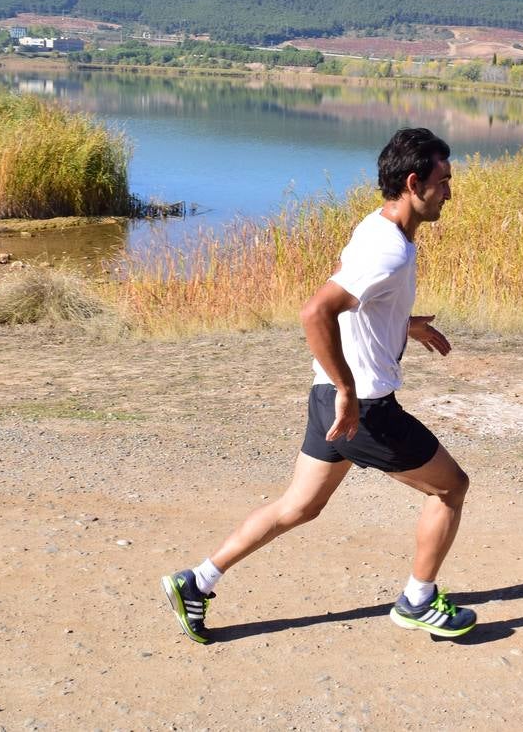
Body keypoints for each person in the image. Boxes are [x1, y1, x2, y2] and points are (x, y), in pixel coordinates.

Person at [160, 128, 476, 644]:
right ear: (415, 182)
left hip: (328, 399)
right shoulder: (389, 250)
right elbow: (316, 312)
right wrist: (349, 391)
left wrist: (403, 324)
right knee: (450, 487)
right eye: (443, 182)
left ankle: (196, 580)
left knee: (299, 507)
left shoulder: (378, 230)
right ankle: (417, 601)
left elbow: (354, 298)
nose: (449, 192)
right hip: (364, 407)